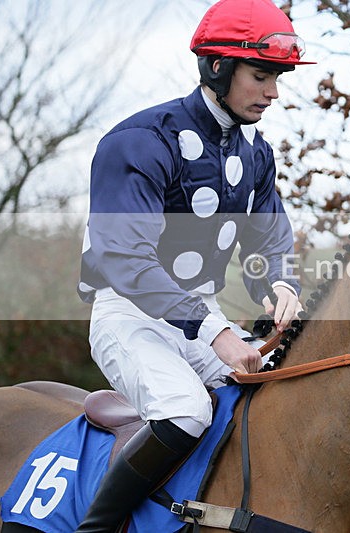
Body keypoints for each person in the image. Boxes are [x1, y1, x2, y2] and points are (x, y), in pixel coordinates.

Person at [75, 0, 311, 529]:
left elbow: (269, 244)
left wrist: (279, 285)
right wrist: (215, 332)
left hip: (202, 318)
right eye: (262, 75)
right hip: (129, 315)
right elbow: (125, 260)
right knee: (187, 409)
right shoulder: (140, 140)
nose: (274, 92)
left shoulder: (257, 154)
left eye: (278, 78)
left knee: (287, 387)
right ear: (218, 68)